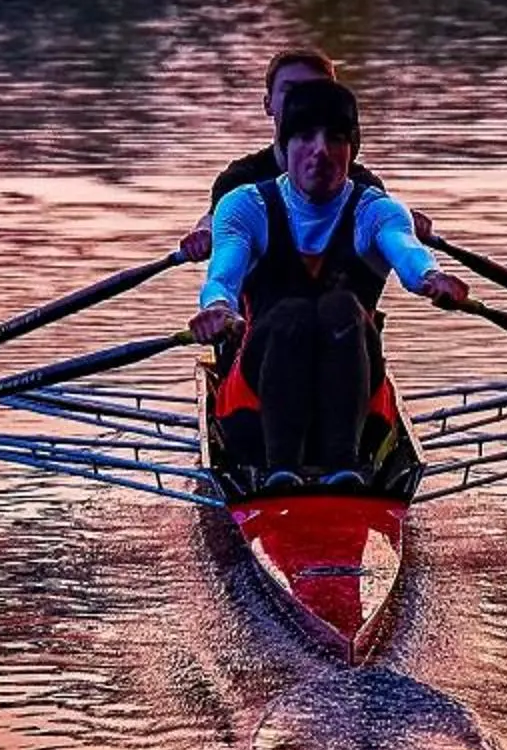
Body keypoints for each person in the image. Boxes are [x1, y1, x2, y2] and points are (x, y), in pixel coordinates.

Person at [191, 79, 467, 487]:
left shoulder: (378, 210)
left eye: (335, 138)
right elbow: (223, 276)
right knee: (293, 313)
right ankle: (281, 469)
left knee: (341, 308)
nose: (320, 150)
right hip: (254, 418)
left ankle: (343, 467)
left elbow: (408, 253)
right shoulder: (245, 205)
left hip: (362, 421)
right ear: (284, 146)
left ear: (352, 149)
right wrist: (217, 308)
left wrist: (432, 278)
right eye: (305, 136)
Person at [181, 49, 429, 257]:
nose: (304, 101)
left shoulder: (364, 185)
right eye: (291, 91)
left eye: (315, 91)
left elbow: (391, 228)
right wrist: (203, 234)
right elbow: (214, 220)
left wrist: (405, 226)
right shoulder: (239, 179)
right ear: (268, 104)